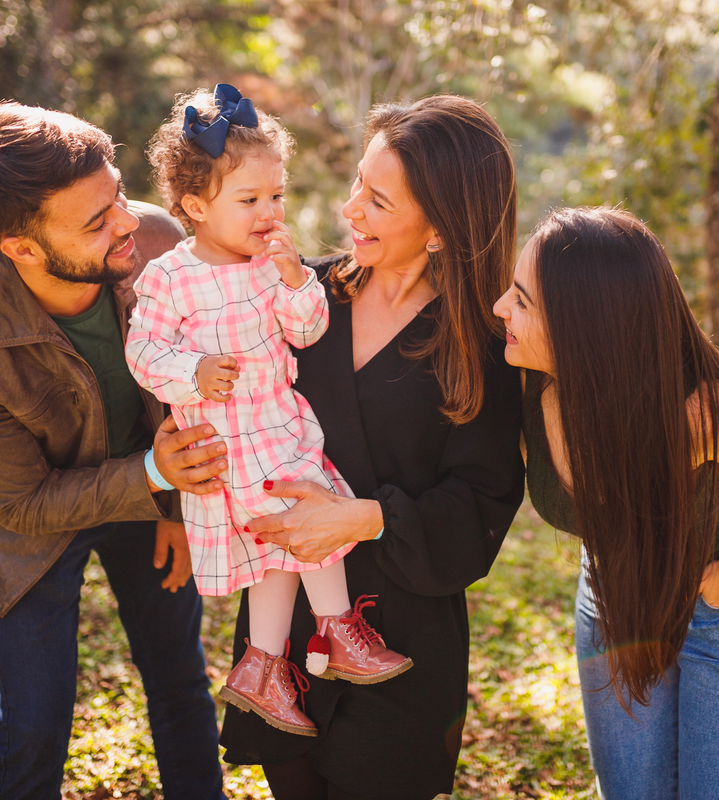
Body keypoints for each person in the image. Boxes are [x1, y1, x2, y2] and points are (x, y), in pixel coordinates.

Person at [157, 94, 525, 800]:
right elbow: (200, 372)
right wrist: (174, 452)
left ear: (442, 230)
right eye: (359, 181)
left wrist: (363, 517)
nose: (350, 208)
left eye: (378, 201)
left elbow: (480, 505)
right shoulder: (295, 293)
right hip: (282, 632)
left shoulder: (483, 347)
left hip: (399, 637)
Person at [0, 102, 225, 800]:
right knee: (33, 728)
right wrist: (153, 475)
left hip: (155, 499)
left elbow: (192, 389)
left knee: (179, 679)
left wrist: (175, 506)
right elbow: (20, 504)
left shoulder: (156, 241)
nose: (126, 222)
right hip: (39, 528)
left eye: (118, 195)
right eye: (96, 221)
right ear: (22, 248)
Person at [492, 206, 719, 800]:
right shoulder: (526, 377)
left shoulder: (695, 412)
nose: (499, 309)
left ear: (583, 327)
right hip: (617, 601)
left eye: (521, 301)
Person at [125, 84, 411, 739]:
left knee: (287, 542)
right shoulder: (171, 277)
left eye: (276, 196)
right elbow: (143, 353)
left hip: (280, 425)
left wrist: (294, 280)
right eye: (249, 200)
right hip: (227, 441)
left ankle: (265, 664)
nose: (269, 213)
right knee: (299, 528)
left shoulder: (269, 265)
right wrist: (192, 373)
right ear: (195, 206)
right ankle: (333, 632)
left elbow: (306, 331)